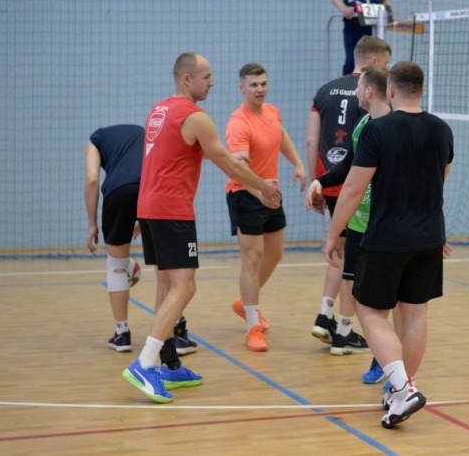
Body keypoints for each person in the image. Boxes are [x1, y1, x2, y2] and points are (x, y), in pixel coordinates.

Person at [122, 53, 281, 404]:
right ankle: (145, 364)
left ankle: (169, 364)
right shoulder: (195, 116)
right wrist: (262, 188)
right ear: (186, 79)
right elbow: (228, 166)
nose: (212, 83)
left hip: (150, 207)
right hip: (172, 210)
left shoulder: (159, 111)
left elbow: (179, 153)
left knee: (166, 285)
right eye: (206, 77)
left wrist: (230, 159)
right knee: (185, 286)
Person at [324, 61, 454, 429]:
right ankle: (401, 391)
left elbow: (353, 188)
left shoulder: (377, 130)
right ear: (421, 90)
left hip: (387, 238)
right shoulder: (442, 130)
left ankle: (403, 388)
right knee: (414, 314)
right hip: (429, 237)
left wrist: (334, 234)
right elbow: (439, 181)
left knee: (369, 311)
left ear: (391, 90)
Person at [306, 37, 391, 371]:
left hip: (341, 188)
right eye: (386, 62)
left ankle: (328, 316)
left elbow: (312, 139)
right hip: (359, 196)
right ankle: (343, 331)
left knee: (344, 257)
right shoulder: (368, 119)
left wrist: (315, 178)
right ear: (375, 61)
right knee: (350, 264)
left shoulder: (325, 90)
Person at [86, 124, 199, 356]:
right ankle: (176, 333)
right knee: (165, 269)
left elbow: (92, 179)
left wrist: (92, 225)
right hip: (152, 191)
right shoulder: (145, 132)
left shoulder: (95, 139)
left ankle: (122, 334)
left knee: (117, 265)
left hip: (118, 192)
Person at [226, 63, 307, 352]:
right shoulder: (238, 123)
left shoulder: (271, 112)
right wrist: (258, 190)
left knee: (274, 253)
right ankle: (253, 327)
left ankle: (245, 301)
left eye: (263, 84)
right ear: (242, 88)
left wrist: (298, 164)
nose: (260, 89)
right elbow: (237, 169)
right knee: (252, 258)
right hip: (245, 194)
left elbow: (281, 136)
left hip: (270, 192)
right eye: (253, 85)